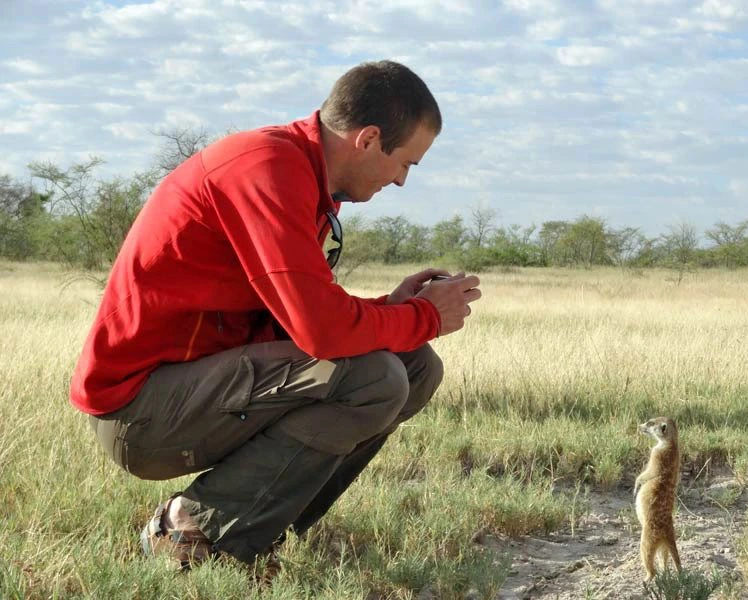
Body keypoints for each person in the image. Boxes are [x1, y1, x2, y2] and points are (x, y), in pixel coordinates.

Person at [70, 60, 481, 571]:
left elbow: (300, 320)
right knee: (375, 377)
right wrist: (422, 316)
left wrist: (394, 311)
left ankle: (257, 535)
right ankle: (190, 528)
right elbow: (322, 332)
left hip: (194, 390)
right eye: (406, 164)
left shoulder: (305, 180)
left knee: (416, 367)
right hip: (141, 412)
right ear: (369, 139)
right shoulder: (266, 166)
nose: (400, 182)